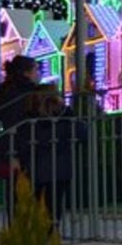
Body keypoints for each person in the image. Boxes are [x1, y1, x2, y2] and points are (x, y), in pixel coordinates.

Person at [16, 90, 87, 228]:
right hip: (57, 170)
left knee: (40, 204)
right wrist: (70, 115)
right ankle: (48, 235)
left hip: (38, 169)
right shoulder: (64, 121)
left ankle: (41, 233)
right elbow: (83, 133)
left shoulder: (31, 121)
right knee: (53, 206)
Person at [0, 56, 41, 216]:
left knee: (14, 193)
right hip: (27, 145)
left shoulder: (4, 92)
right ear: (27, 72)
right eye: (35, 69)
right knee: (31, 191)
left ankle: (16, 230)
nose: (38, 73)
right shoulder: (30, 93)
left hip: (9, 145)